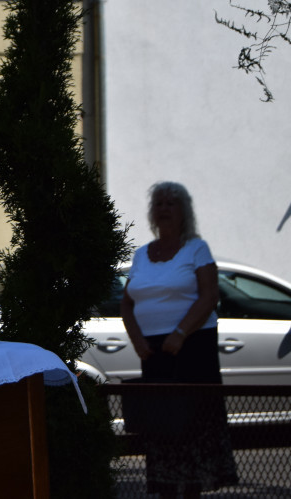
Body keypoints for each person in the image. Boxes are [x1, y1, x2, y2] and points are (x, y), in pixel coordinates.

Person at [120, 181, 236, 499]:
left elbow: (209, 295)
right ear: (152, 213)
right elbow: (127, 302)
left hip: (192, 346)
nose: (164, 208)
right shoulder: (141, 254)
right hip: (153, 352)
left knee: (191, 426)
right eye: (159, 203)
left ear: (184, 211)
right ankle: (167, 491)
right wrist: (138, 341)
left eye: (172, 203)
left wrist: (180, 333)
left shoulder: (196, 249)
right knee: (162, 425)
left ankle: (193, 493)